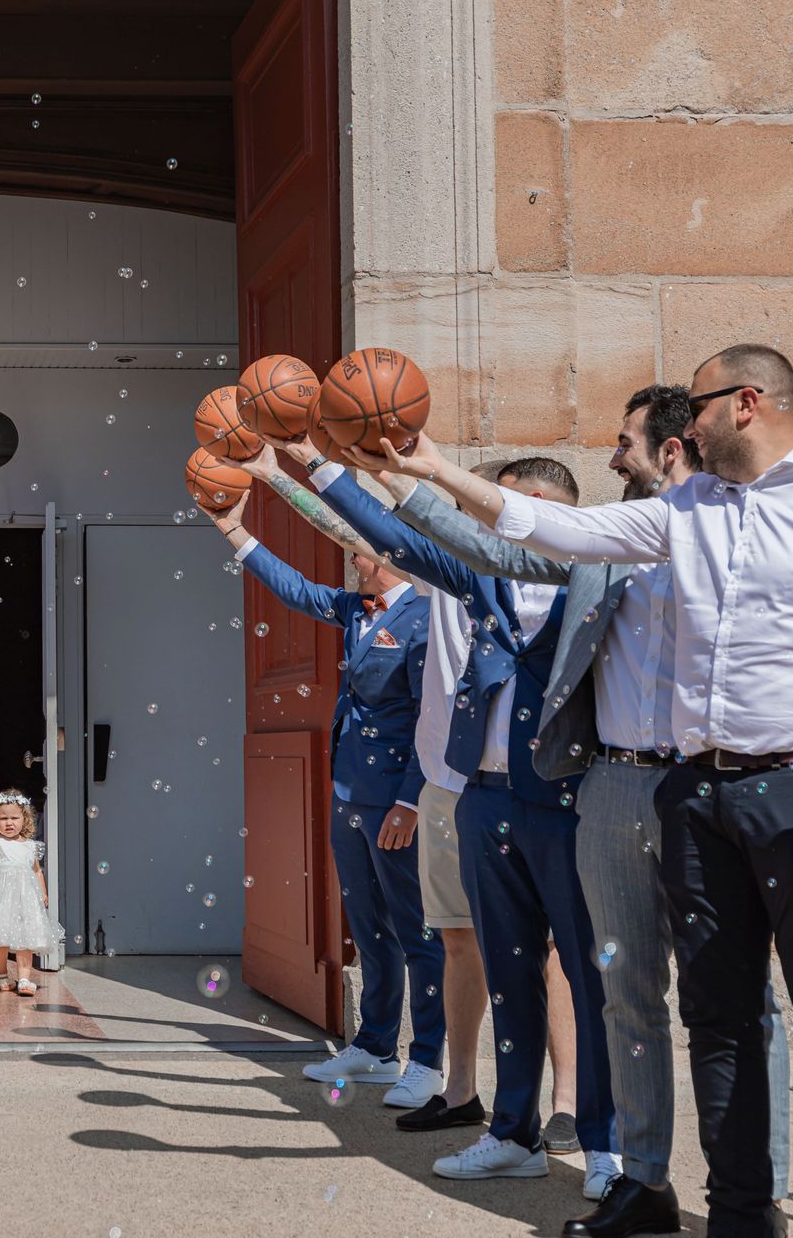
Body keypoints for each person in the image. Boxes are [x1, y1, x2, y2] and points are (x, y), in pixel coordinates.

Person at [435, 344, 793, 1238]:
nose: (686, 424)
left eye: (697, 407)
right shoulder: (686, 510)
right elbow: (550, 530)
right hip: (698, 796)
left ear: (747, 403)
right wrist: (429, 467)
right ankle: (740, 1219)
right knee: (717, 1020)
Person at [365, 388, 793, 1235]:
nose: (611, 456)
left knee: (744, 997)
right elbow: (502, 538)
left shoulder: (751, 533)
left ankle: (758, 1191)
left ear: (674, 448)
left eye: (624, 441)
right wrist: (397, 471)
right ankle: (637, 1173)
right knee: (625, 991)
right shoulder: (610, 540)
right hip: (611, 783)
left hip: (716, 781)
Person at [284, 437, 621, 1200]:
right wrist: (316, 461)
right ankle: (513, 1133)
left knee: (582, 971)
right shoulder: (478, 579)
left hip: (566, 799)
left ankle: (605, 1143)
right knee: (508, 970)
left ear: (540, 510)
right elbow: (396, 536)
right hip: (483, 797)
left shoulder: (598, 572)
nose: (479, 519)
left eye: (491, 506)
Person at [207, 484, 446, 1111]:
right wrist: (234, 532)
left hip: (393, 803)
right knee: (367, 926)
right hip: (349, 794)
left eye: (358, 550)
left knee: (416, 929)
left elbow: (430, 720)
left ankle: (428, 1060)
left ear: (389, 556)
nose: (349, 558)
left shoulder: (423, 620)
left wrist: (409, 802)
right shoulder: (354, 608)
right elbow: (293, 589)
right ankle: (376, 1047)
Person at [0, 790, 62, 995]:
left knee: (26, 939)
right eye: (3, 818)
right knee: (0, 939)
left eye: (14, 818)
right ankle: (1, 974)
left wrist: (42, 892)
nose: (9, 823)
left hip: (25, 901)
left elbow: (36, 871)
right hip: (1, 901)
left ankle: (24, 978)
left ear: (25, 819)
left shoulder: (30, 846)